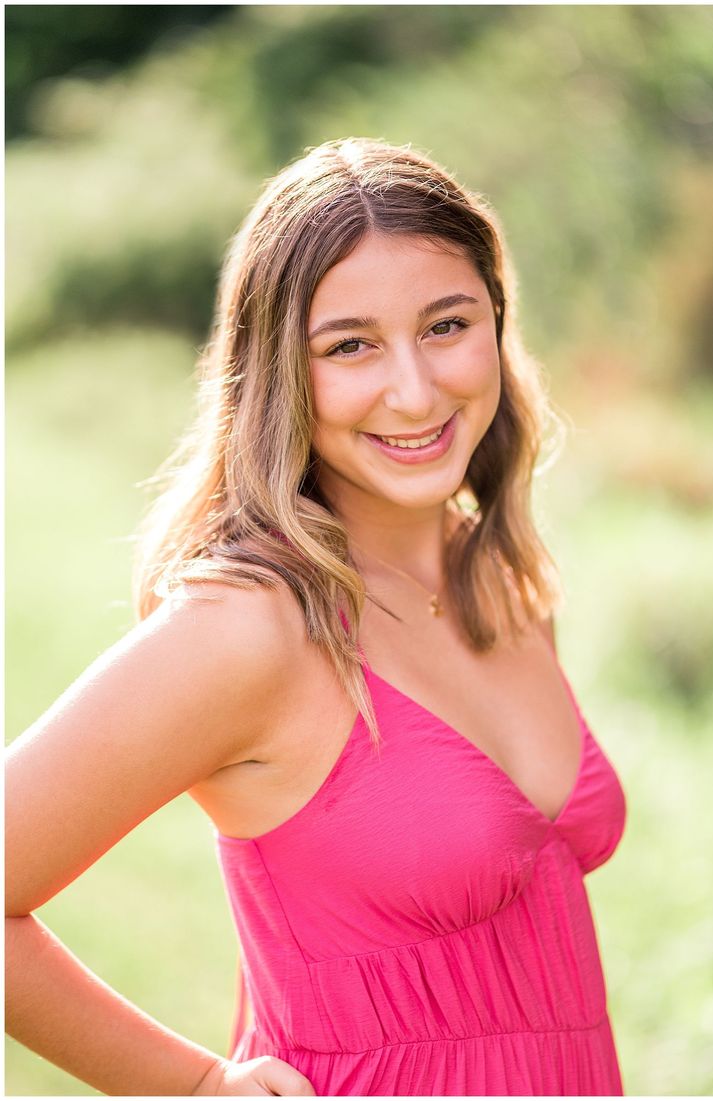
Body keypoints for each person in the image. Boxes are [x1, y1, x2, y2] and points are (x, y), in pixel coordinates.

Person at [6, 137, 627, 1097]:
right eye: (349, 345)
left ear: (497, 322)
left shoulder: (500, 580)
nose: (415, 391)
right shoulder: (250, 627)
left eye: (446, 325)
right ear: (276, 374)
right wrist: (197, 1084)